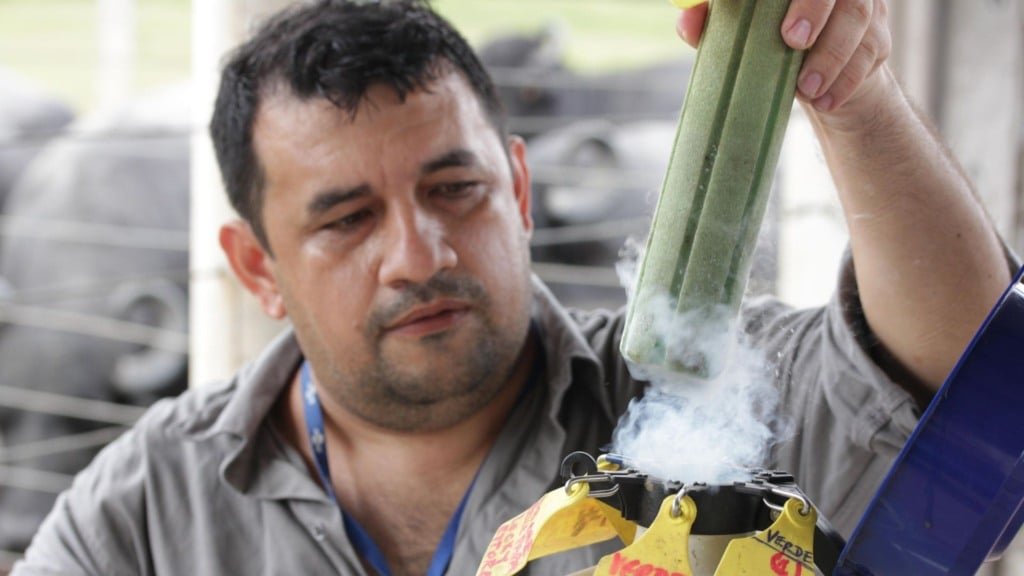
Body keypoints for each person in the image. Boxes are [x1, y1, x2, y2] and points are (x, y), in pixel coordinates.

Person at [13, 0, 1015, 574]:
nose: (417, 255)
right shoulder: (148, 511)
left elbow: (978, 370)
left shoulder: (695, 390)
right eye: (346, 219)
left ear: (521, 191)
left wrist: (854, 94)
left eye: (456, 189)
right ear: (256, 269)